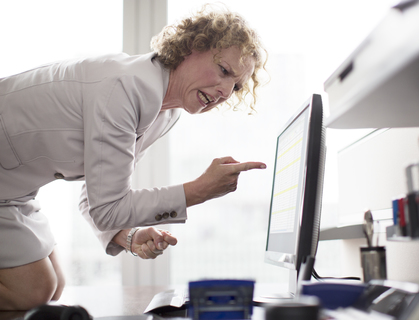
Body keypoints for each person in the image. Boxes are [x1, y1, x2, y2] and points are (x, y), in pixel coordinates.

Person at [0, 5, 267, 310]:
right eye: (223, 71)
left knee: (55, 286)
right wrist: (199, 190)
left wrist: (128, 236)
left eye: (235, 86)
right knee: (35, 291)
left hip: (14, 192)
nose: (224, 91)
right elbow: (107, 208)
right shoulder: (126, 87)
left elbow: (96, 198)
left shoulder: (164, 114)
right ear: (192, 47)